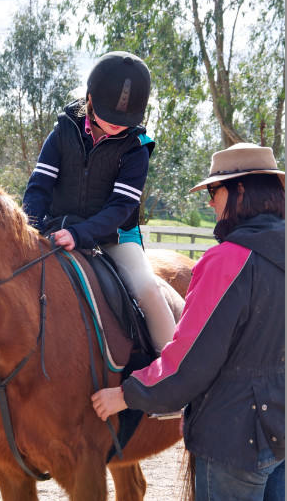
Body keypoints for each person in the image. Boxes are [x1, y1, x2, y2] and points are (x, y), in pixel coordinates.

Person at [91, 143, 285, 500]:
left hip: (233, 439)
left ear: (241, 190)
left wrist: (126, 394)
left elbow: (189, 361)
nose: (210, 202)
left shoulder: (227, 261)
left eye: (214, 190)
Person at [22, 50, 177, 355]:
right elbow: (39, 188)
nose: (119, 124)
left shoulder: (137, 149)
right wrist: (32, 229)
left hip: (115, 237)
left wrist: (79, 235)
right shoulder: (61, 133)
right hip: (56, 228)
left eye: (127, 119)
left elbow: (121, 209)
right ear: (90, 100)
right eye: (111, 116)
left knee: (147, 290)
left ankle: (176, 373)